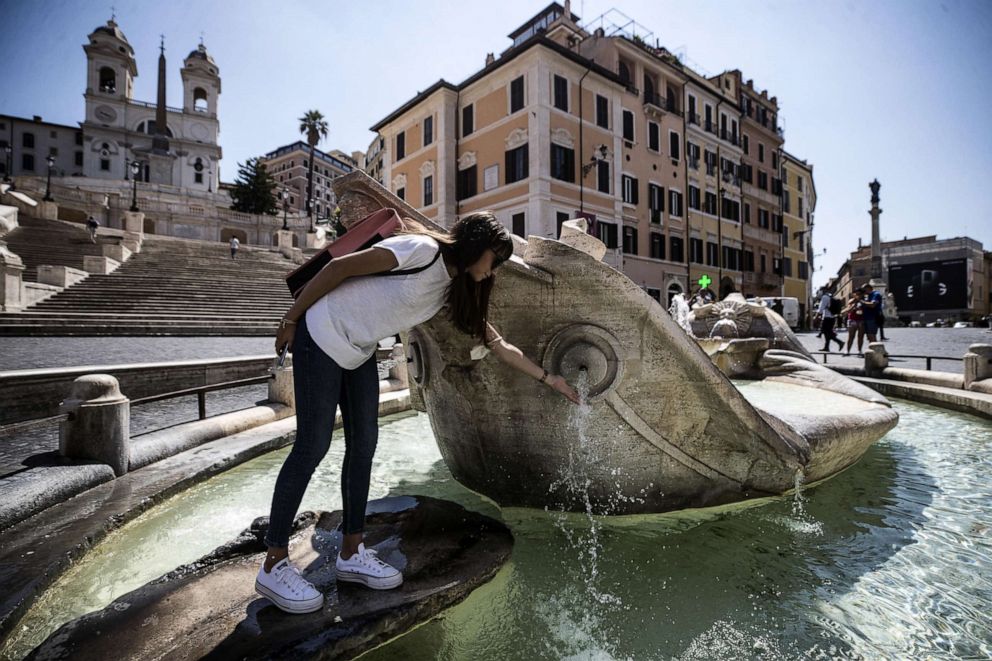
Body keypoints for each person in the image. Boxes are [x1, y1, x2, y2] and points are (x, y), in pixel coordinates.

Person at [255, 211, 580, 614]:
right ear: (477, 247)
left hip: (357, 353)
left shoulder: (450, 289)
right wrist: (291, 319)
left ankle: (351, 552)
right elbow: (340, 268)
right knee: (313, 445)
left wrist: (550, 379)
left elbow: (498, 343)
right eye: (494, 258)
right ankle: (273, 564)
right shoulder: (421, 250)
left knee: (364, 446)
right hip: (319, 334)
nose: (493, 270)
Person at [843, 291, 866, 356]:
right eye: (857, 294)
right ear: (854, 295)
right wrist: (854, 305)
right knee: (851, 336)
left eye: (860, 294)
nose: (858, 296)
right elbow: (848, 311)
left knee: (860, 336)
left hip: (861, 320)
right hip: (852, 320)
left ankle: (860, 351)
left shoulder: (863, 301)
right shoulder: (851, 301)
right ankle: (847, 350)